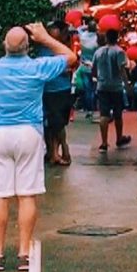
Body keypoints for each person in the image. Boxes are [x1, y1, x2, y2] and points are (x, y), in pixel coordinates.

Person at [0, 24, 76, 272]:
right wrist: (45, 38)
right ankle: (24, 255)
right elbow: (71, 58)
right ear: (28, 47)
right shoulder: (37, 67)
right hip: (29, 134)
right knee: (27, 195)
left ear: (4, 46)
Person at [38, 20, 76, 166]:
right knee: (51, 124)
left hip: (60, 90)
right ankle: (53, 152)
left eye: (54, 29)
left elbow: (69, 65)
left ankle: (61, 151)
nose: (50, 32)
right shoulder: (43, 47)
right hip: (48, 90)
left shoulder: (61, 48)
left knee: (58, 123)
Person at [93, 29, 132, 152]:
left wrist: (97, 78)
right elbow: (122, 70)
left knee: (104, 114)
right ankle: (119, 137)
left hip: (102, 85)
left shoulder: (98, 52)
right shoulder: (119, 51)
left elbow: (93, 69)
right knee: (117, 114)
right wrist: (127, 85)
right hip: (116, 87)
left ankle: (104, 142)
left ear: (106, 38)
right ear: (117, 38)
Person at [76, 17, 98, 121]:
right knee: (93, 90)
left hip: (84, 66)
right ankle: (92, 109)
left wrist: (86, 26)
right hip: (94, 66)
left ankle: (89, 110)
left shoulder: (83, 36)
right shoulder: (97, 38)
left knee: (87, 89)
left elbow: (79, 28)